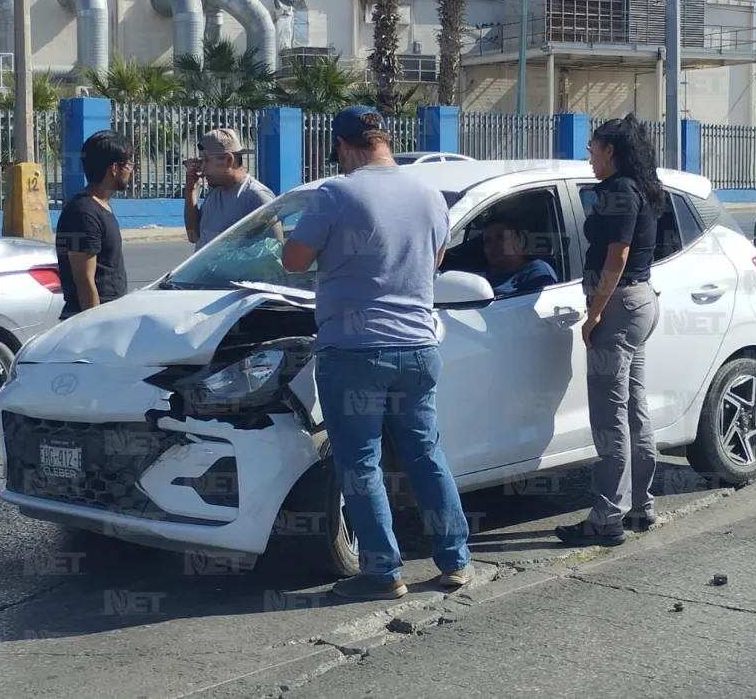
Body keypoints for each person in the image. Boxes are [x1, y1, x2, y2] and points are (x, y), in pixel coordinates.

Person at [280, 104, 471, 601]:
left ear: (343, 146)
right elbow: (434, 261)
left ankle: (384, 572)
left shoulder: (336, 192)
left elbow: (294, 259)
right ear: (384, 139)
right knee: (426, 453)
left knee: (360, 462)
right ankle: (454, 561)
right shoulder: (430, 193)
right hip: (418, 346)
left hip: (355, 351)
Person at [555, 114, 666, 548]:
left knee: (609, 417)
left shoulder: (619, 191)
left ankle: (606, 518)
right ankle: (640, 505)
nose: (589, 155)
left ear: (611, 152)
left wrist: (594, 313)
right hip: (640, 302)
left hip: (618, 305)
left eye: (593, 148)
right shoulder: (640, 186)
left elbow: (616, 258)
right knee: (634, 407)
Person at [55, 131, 133, 321]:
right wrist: (97, 328)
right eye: (129, 165)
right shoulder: (84, 213)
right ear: (114, 168)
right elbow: (84, 281)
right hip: (93, 321)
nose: (131, 171)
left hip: (111, 314)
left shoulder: (100, 206)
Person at [183, 128, 275, 250]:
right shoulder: (214, 194)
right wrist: (191, 189)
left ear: (228, 160)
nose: (202, 169)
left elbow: (273, 252)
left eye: (207, 161)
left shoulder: (255, 196)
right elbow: (193, 236)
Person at [481, 213, 559, 296]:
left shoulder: (536, 272)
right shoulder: (479, 277)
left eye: (501, 237)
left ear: (519, 241)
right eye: (488, 240)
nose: (493, 245)